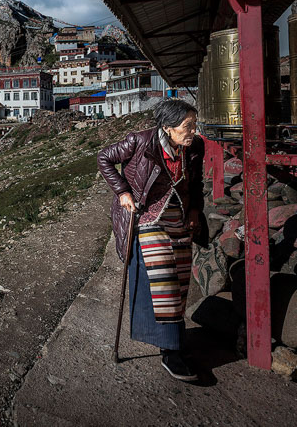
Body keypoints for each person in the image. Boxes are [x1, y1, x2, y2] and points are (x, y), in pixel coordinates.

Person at [97, 98, 205, 382]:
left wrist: (195, 210)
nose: (193, 131)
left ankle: (175, 338)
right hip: (145, 218)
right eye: (187, 126)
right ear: (168, 127)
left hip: (177, 216)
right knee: (164, 278)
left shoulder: (195, 147)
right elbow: (104, 158)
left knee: (181, 277)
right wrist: (122, 192)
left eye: (194, 125)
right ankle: (170, 350)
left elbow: (196, 183)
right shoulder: (140, 141)